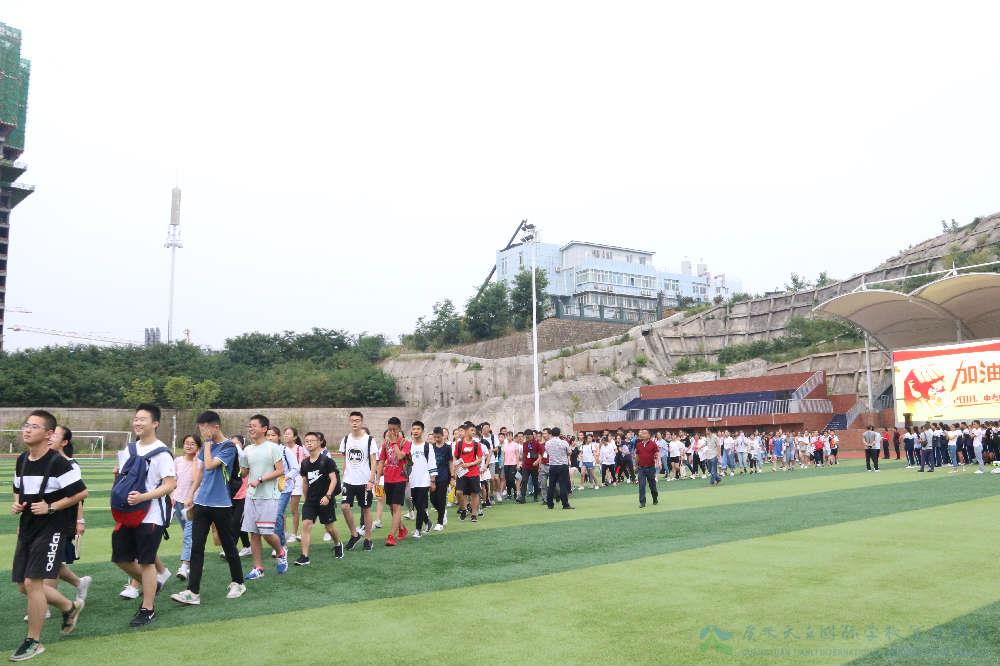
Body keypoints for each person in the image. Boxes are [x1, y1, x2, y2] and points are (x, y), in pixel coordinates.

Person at [10, 411, 89, 661]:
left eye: (34, 426)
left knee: (33, 583)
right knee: (22, 584)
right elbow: (18, 488)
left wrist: (51, 507)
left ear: (48, 434)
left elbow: (81, 493)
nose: (27, 429)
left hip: (53, 527)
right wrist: (18, 503)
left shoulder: (59, 463)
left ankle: (33, 641)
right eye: (26, 425)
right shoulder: (22, 459)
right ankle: (69, 607)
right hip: (28, 526)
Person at [170, 411, 246, 607]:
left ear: (216, 427)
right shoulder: (207, 446)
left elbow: (211, 465)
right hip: (202, 502)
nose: (202, 431)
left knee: (228, 545)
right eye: (200, 428)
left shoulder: (229, 447)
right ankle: (192, 592)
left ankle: (238, 582)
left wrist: (207, 443)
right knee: (196, 547)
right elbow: (202, 472)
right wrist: (191, 494)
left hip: (221, 504)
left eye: (205, 428)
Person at [111, 404, 176, 628]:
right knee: (121, 558)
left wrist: (143, 497)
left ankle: (148, 608)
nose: (137, 422)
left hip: (151, 515)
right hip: (127, 513)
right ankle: (153, 584)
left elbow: (170, 484)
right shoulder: (129, 449)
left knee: (146, 561)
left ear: (155, 423)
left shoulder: (162, 452)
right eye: (136, 419)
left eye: (143, 419)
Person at [46, 426, 92, 606]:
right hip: (44, 519)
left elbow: (78, 496)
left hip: (63, 520)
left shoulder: (71, 465)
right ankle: (79, 583)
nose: (50, 437)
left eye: (55, 435)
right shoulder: (45, 461)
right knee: (51, 560)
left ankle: (43, 604)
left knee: (52, 560)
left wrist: (80, 520)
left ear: (64, 442)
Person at [240, 415, 288, 580]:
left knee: (267, 533)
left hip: (268, 497)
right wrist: (239, 463)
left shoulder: (273, 448)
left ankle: (281, 551)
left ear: (264, 428)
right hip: (251, 496)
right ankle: (258, 568)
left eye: (254, 425)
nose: (251, 428)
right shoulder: (248, 450)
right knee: (254, 533)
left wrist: (260, 479)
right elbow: (244, 473)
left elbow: (280, 470)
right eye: (249, 426)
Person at [296, 431, 343, 564]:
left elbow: (333, 479)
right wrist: (307, 499)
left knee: (329, 527)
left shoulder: (327, 461)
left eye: (312, 441)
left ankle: (338, 543)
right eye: (306, 441)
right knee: (306, 524)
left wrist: (328, 496)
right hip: (310, 501)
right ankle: (304, 556)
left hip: (325, 500)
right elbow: (305, 482)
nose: (309, 443)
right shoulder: (304, 463)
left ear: (319, 442)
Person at [339, 412, 379, 552]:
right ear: (349, 422)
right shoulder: (345, 439)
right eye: (352, 420)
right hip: (348, 481)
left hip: (364, 481)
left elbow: (374, 461)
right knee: (344, 507)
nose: (355, 423)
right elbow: (345, 461)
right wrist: (343, 478)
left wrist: (371, 479)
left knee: (366, 509)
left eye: (357, 420)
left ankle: (368, 539)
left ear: (361, 422)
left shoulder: (369, 440)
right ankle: (354, 535)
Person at [377, 417, 411, 546]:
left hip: (400, 479)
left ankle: (391, 536)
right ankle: (402, 529)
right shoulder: (385, 444)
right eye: (389, 429)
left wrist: (395, 443)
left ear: (399, 428)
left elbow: (400, 456)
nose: (392, 432)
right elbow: (381, 461)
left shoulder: (405, 443)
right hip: (388, 479)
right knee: (391, 507)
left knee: (396, 507)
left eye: (394, 429)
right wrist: (377, 478)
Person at [172, 434, 201, 582]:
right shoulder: (177, 461)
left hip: (192, 504)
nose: (189, 446)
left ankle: (184, 567)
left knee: (188, 535)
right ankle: (195, 561)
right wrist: (172, 495)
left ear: (198, 447)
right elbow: (173, 480)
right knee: (189, 534)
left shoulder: (199, 463)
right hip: (178, 502)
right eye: (186, 443)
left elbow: (196, 479)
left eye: (193, 444)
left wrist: (196, 460)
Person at [274, 426, 303, 550]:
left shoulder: (290, 450)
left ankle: (286, 540)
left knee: (286, 511)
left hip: (289, 485)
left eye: (273, 435)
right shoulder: (267, 450)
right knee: (278, 514)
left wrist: (286, 477)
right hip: (272, 488)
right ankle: (282, 536)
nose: (270, 437)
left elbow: (297, 467)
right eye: (268, 435)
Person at [406, 421, 436, 537]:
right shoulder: (409, 446)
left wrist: (432, 480)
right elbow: (407, 464)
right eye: (414, 429)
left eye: (418, 429)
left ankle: (418, 530)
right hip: (413, 480)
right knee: (416, 504)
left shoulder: (428, 446)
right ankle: (428, 522)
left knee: (420, 504)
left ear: (422, 431)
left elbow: (432, 463)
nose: (416, 431)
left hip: (424, 479)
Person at [454, 425, 483, 521]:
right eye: (472, 430)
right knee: (459, 492)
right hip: (462, 473)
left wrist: (469, 464)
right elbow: (455, 456)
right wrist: (456, 467)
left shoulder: (477, 444)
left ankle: (474, 514)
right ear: (466, 431)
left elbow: (480, 459)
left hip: (473, 473)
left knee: (474, 494)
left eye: (474, 431)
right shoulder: (459, 444)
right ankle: (464, 509)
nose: (474, 432)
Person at [430, 427, 454, 531]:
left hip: (444, 476)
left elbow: (450, 462)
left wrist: (452, 476)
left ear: (443, 436)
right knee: (433, 499)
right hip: (433, 476)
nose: (437, 439)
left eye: (438, 437)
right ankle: (443, 511)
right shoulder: (431, 447)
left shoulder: (447, 448)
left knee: (441, 498)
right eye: (435, 437)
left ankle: (440, 523)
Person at [543, 427, 573, 510]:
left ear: (551, 434)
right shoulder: (564, 442)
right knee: (563, 485)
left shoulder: (548, 443)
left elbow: (547, 453)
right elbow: (569, 452)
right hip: (562, 465)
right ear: (559, 433)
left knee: (551, 485)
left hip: (552, 465)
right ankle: (565, 504)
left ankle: (550, 504)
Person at [634, 428, 660, 508]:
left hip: (651, 468)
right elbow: (637, 456)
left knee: (652, 485)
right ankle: (642, 502)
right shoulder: (638, 445)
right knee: (641, 485)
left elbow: (657, 453)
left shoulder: (653, 444)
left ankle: (655, 498)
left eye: (645, 433)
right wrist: (635, 465)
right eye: (642, 433)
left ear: (649, 435)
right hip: (641, 468)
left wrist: (659, 461)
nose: (642, 434)